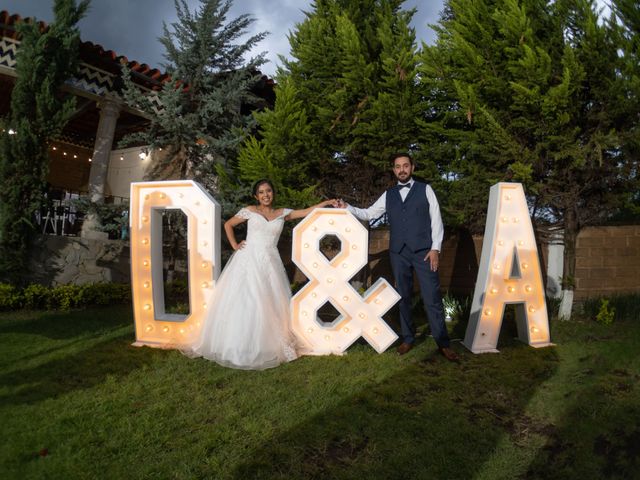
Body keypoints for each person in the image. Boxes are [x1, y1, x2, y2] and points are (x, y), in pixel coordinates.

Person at [189, 179, 336, 370]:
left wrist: (325, 203)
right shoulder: (250, 210)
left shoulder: (282, 214)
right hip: (248, 260)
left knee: (269, 303)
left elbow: (306, 211)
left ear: (273, 193)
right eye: (261, 192)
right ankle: (237, 345)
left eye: (268, 191)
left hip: (270, 263)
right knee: (246, 301)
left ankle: (267, 344)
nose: (266, 195)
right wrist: (234, 245)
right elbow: (229, 225)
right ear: (256, 196)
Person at [337, 153, 459, 361]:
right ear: (393, 170)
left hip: (424, 252)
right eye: (397, 166)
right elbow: (368, 213)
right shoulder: (389, 194)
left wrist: (435, 249)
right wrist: (347, 207)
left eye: (405, 165)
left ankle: (443, 343)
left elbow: (436, 220)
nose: (401, 169)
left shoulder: (425, 189)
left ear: (412, 167)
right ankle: (408, 338)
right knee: (403, 296)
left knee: (432, 298)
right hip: (398, 253)